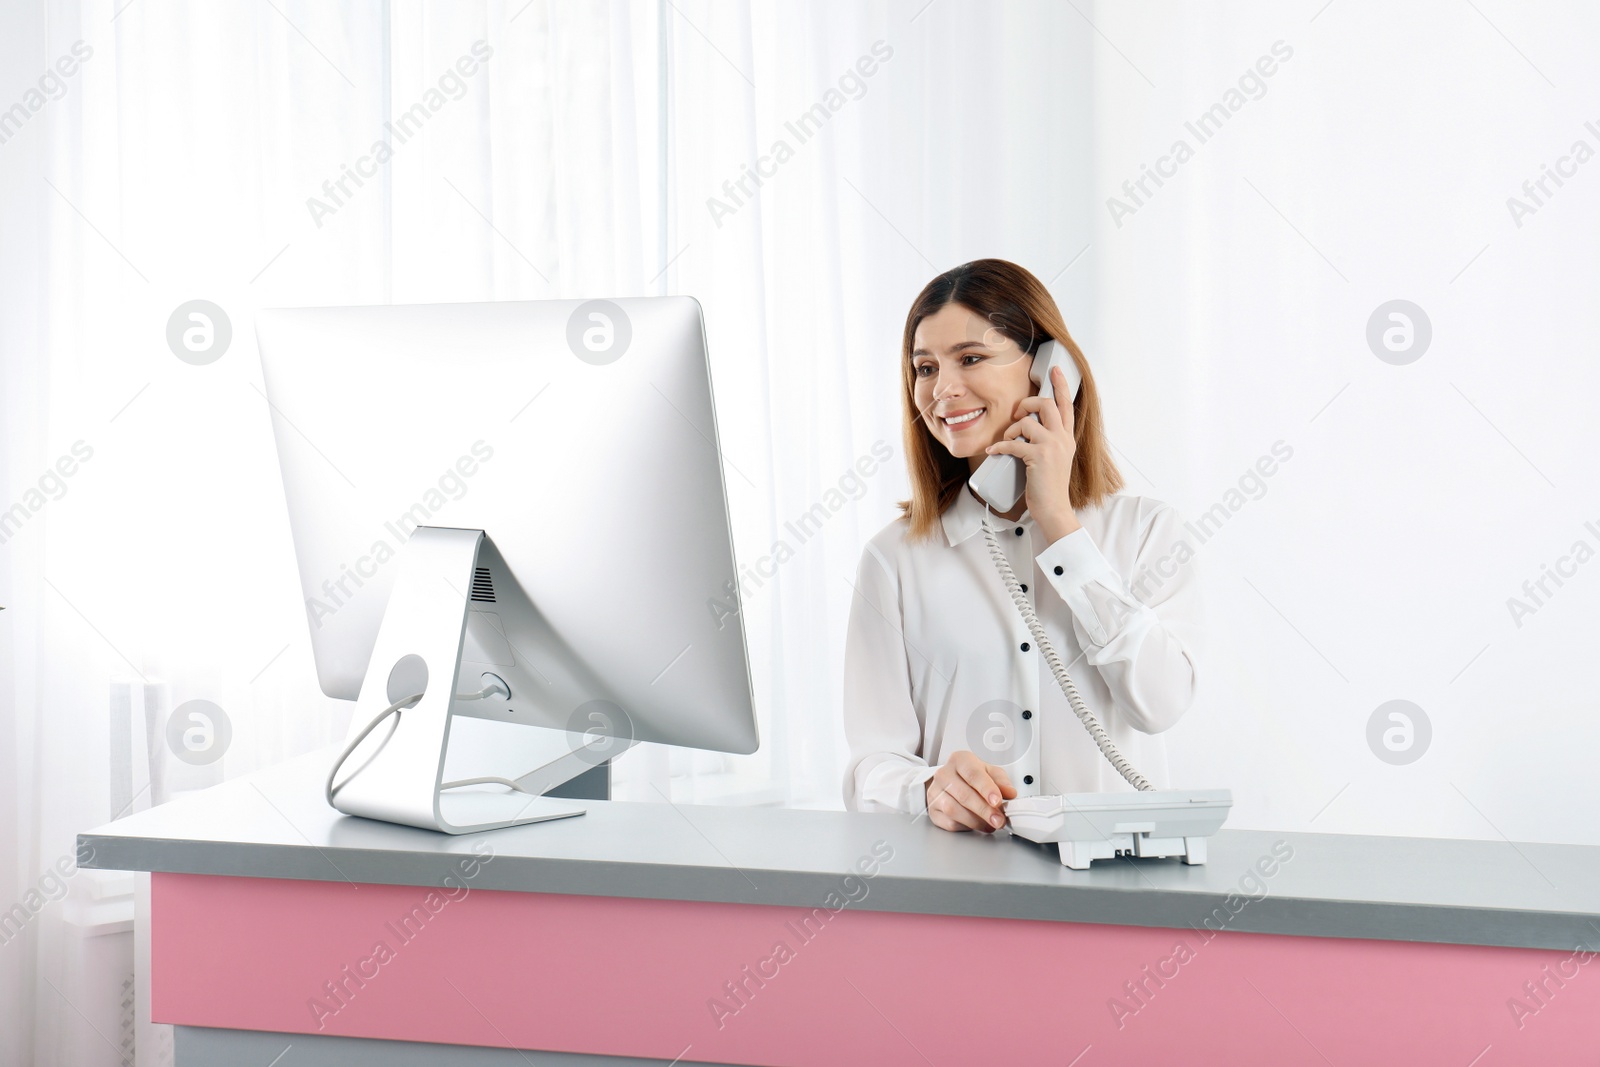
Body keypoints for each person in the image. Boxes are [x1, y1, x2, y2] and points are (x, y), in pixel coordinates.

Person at [841, 258, 1204, 833]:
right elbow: (870, 768)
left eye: (971, 358)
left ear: (1048, 372)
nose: (943, 389)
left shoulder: (1147, 532)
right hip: (966, 893)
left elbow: (1159, 703)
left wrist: (1059, 523)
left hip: (1114, 887)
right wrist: (926, 788)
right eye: (925, 367)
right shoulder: (895, 559)